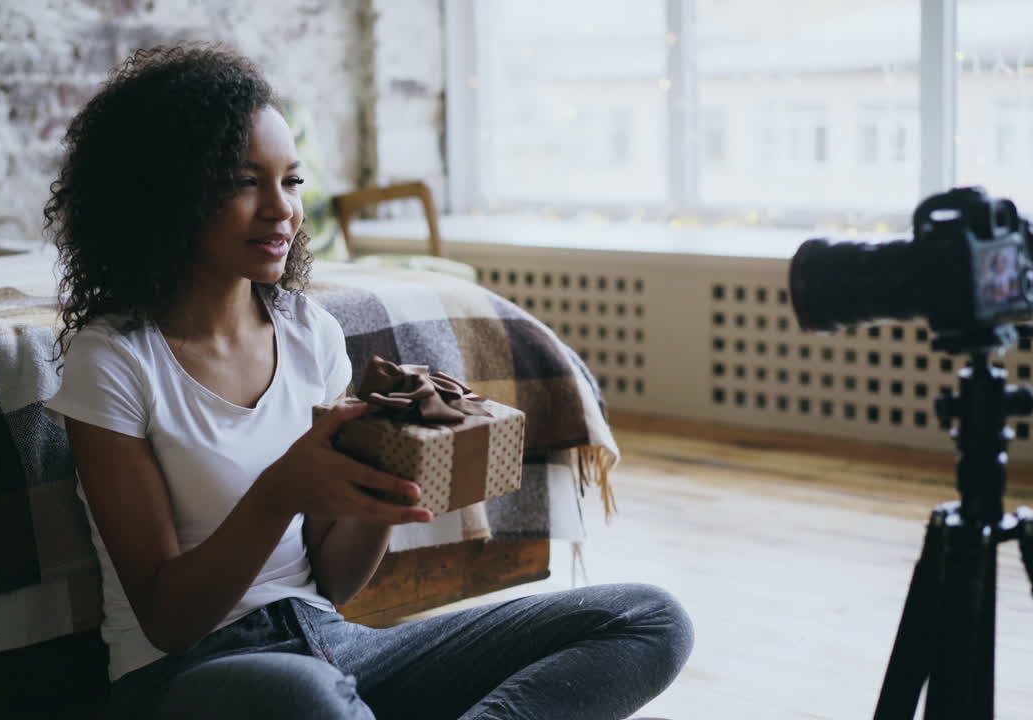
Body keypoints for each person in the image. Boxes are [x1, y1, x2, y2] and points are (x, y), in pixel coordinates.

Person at [43, 45, 693, 720]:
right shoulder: (115, 360)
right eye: (245, 182)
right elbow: (168, 621)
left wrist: (384, 492)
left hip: (332, 645)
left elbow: (335, 582)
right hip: (190, 676)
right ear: (169, 193)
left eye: (292, 181)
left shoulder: (309, 334)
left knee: (649, 619)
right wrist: (279, 492)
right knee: (308, 698)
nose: (282, 210)